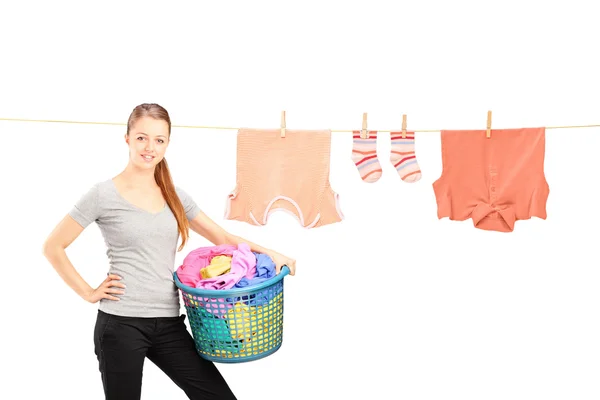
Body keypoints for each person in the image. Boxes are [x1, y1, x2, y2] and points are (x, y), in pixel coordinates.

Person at [42, 103, 296, 400]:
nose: (150, 147)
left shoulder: (175, 195)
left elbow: (222, 237)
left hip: (168, 323)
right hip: (121, 324)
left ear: (167, 144)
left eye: (159, 140)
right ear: (127, 138)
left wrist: (271, 253)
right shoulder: (101, 194)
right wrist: (88, 292)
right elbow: (53, 246)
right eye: (141, 137)